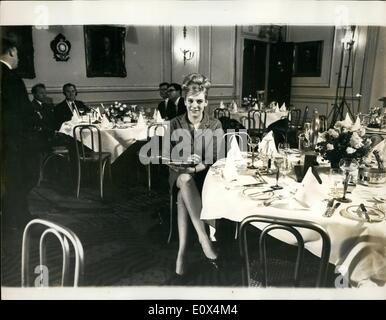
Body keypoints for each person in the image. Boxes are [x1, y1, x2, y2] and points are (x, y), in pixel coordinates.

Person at [167, 73, 224, 283]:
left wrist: (194, 168)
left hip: (206, 177)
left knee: (184, 189)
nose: (194, 106)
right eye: (190, 101)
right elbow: (168, 157)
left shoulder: (215, 125)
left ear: (206, 102)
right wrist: (183, 162)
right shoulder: (174, 123)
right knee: (183, 180)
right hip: (180, 174)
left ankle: (181, 253)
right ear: (184, 101)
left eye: (199, 101)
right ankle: (204, 240)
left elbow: (215, 158)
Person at [1, 36, 38, 231]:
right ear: (12, 52)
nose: (18, 58)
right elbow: (24, 112)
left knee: (9, 180)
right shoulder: (12, 78)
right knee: (24, 177)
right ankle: (17, 219)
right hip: (15, 140)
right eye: (18, 54)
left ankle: (13, 219)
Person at [31, 83, 56, 151]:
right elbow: (36, 124)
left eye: (45, 93)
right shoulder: (31, 107)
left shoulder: (47, 106)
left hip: (50, 133)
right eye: (41, 93)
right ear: (34, 94)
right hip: (41, 136)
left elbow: (53, 119)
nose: (44, 95)